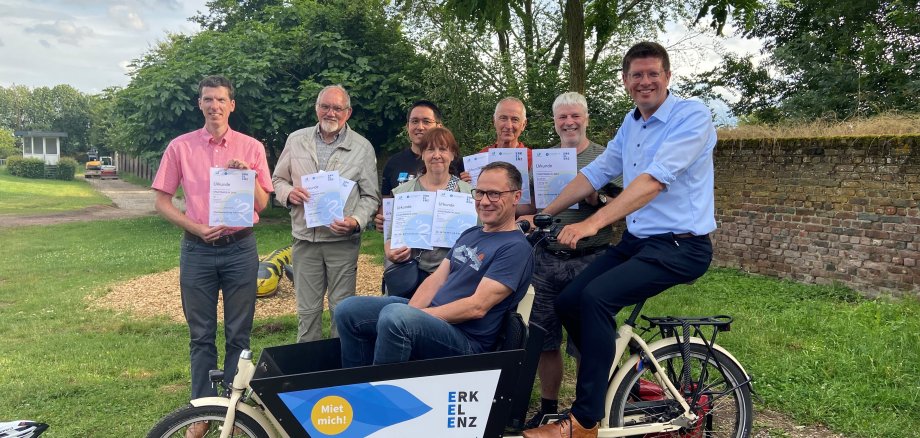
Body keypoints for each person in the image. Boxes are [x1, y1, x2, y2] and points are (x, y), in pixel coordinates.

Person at [523, 41, 717, 438]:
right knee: (569, 301)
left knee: (596, 299)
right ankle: (615, 378)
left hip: (682, 246)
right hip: (641, 242)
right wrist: (546, 213)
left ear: (667, 76)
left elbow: (653, 181)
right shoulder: (633, 124)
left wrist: (593, 223)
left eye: (653, 74)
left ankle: (584, 420)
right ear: (625, 81)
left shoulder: (692, 117)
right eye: (636, 75)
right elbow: (595, 173)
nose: (645, 82)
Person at [152, 75, 273, 438]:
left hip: (240, 248)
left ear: (231, 105)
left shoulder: (251, 147)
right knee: (201, 336)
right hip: (197, 250)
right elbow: (160, 201)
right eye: (208, 99)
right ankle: (202, 411)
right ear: (199, 103)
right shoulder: (180, 147)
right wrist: (193, 226)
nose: (214, 106)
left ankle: (234, 412)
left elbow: (263, 203)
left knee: (240, 334)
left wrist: (247, 177)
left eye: (221, 100)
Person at [334, 161, 534, 366]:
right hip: (433, 317)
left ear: (515, 197)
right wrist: (413, 313)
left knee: (396, 317)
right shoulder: (471, 233)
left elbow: (477, 307)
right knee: (348, 310)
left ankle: (381, 393)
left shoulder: (515, 248)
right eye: (480, 192)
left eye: (494, 194)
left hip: (466, 339)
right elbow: (437, 279)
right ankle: (357, 384)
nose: (484, 201)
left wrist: (414, 316)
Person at [521, 91, 622, 429]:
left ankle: (583, 413)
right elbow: (530, 206)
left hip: (591, 257)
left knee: (587, 340)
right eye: (562, 117)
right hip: (547, 258)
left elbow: (620, 205)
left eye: (575, 116)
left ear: (586, 118)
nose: (569, 122)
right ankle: (549, 406)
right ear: (554, 122)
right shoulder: (544, 159)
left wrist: (596, 195)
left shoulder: (605, 156)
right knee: (544, 335)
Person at [271, 85, 380, 343]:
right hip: (304, 241)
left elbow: (370, 196)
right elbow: (277, 179)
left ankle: (339, 370)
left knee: (342, 313)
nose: (331, 113)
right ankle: (309, 373)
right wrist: (288, 194)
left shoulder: (362, 148)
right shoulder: (296, 140)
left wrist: (356, 221)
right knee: (307, 313)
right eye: (325, 106)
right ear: (316, 108)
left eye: (337, 108)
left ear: (348, 112)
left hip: (342, 243)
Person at [384, 127, 474, 284]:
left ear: (452, 154)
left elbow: (478, 238)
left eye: (443, 149)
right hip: (413, 274)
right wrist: (391, 251)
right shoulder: (404, 192)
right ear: (422, 154)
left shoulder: (468, 193)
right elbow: (391, 238)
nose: (437, 155)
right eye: (430, 149)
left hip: (454, 277)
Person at [461, 97, 535, 215]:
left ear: (523, 124)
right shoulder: (480, 157)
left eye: (515, 119)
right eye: (503, 118)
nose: (508, 125)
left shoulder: (534, 160)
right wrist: (465, 186)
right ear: (494, 121)